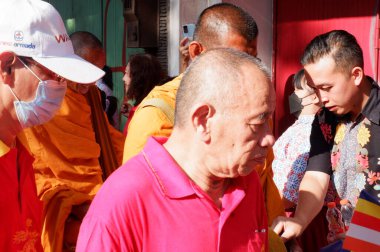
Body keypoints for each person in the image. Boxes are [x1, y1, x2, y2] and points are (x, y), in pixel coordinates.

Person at [77, 48, 275, 251]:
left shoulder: (247, 183)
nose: (269, 138)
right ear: (203, 121)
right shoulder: (124, 201)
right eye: (257, 124)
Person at [122, 3, 285, 231]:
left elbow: (264, 180)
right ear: (197, 52)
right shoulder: (159, 113)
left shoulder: (254, 108)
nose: (247, 71)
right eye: (234, 60)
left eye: (252, 60)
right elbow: (139, 205)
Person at [0, 0, 104, 251]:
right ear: (6, 67)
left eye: (63, 78)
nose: (61, 87)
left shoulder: (21, 153)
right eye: (51, 74)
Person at [16, 31, 124, 251]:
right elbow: (36, 165)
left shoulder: (91, 96)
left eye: (97, 74)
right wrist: (74, 204)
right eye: (86, 73)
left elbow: (113, 143)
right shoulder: (41, 100)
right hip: (68, 210)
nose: (92, 81)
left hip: (99, 200)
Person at [272, 30, 380, 247]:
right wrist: (300, 220)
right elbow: (316, 175)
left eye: (327, 88)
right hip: (341, 242)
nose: (321, 98)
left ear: (356, 75)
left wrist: (368, 237)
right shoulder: (324, 119)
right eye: (315, 89)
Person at [273, 69, 320, 210]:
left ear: (314, 96)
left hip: (285, 212)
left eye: (297, 90)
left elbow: (291, 192)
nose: (293, 95)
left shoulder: (310, 131)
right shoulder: (299, 125)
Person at [121, 53, 165, 135]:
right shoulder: (146, 107)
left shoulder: (149, 112)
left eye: (127, 73)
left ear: (139, 79)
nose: (123, 79)